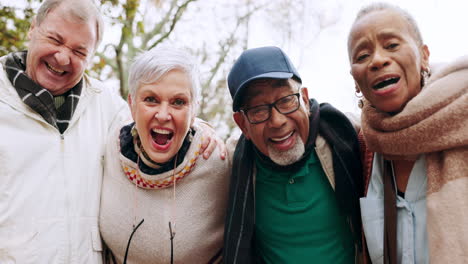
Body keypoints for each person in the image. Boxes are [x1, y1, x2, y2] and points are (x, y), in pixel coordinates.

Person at [0, 1, 221, 263]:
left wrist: (203, 129)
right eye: (55, 40)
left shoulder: (105, 105)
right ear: (33, 29)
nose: (62, 57)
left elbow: (154, 119)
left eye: (78, 51)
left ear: (91, 55)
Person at [347, 3, 468, 264]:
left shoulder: (463, 123)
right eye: (362, 56)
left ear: (424, 56)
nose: (378, 60)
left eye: (391, 45)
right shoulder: (364, 149)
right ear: (356, 80)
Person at [223, 46, 363, 264]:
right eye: (258, 110)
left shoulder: (347, 139)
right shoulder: (231, 165)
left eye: (286, 100)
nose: (277, 120)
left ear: (305, 100)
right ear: (242, 125)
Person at [99, 46, 230, 264]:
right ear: (131, 104)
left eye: (178, 102)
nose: (163, 115)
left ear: (194, 109)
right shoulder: (110, 149)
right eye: (150, 99)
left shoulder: (217, 161)